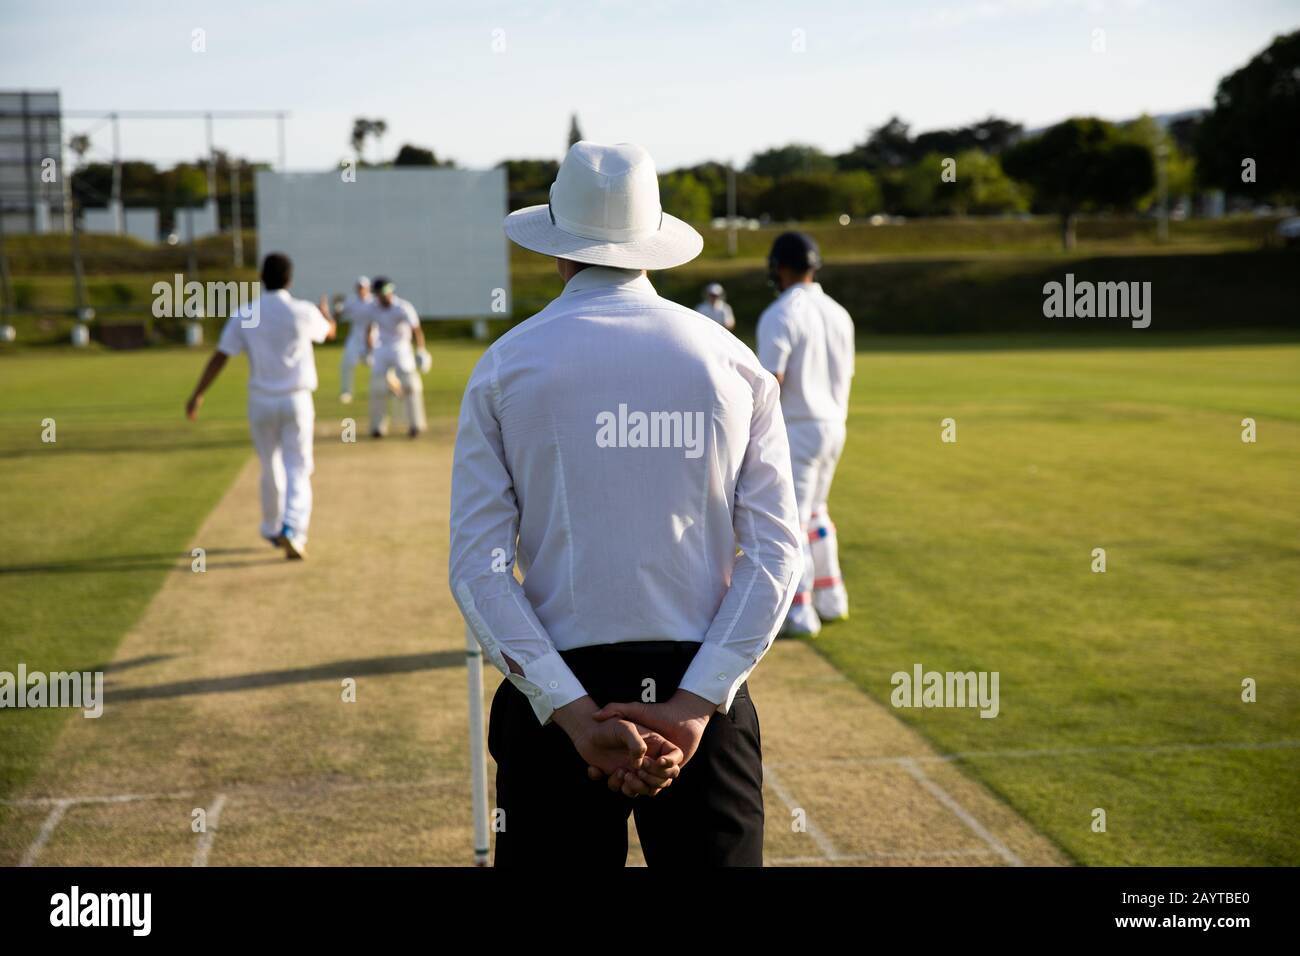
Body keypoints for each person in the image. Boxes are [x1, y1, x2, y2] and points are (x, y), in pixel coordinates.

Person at [449, 141, 802, 867]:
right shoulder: (731, 361)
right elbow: (776, 555)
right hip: (699, 685)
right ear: (651, 240)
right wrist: (692, 708)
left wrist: (575, 716)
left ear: (558, 245)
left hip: (555, 696)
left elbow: (478, 570)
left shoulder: (506, 365)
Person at [185, 252, 336, 559]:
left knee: (270, 466)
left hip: (261, 402)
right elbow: (330, 333)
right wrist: (327, 314)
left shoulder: (247, 313)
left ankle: (272, 527)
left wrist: (198, 393)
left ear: (261, 277)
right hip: (297, 400)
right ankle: (292, 529)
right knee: (298, 468)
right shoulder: (302, 311)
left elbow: (221, 355)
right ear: (289, 279)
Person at [755, 232, 855, 636]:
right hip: (834, 424)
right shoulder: (838, 313)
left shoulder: (781, 313)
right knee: (817, 514)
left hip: (797, 425)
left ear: (780, 267)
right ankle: (832, 598)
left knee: (792, 521)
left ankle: (800, 612)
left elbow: (770, 382)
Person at [365, 277, 431, 438]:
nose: (380, 298)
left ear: (389, 292)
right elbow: (368, 330)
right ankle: (377, 427)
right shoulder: (373, 308)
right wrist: (369, 351)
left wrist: (421, 350)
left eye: (381, 294)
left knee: (410, 386)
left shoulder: (403, 307)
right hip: (382, 348)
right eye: (377, 295)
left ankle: (416, 425)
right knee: (378, 388)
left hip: (402, 347)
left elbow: (416, 329)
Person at [337, 275, 373, 404]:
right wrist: (338, 308)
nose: (360, 289)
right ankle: (347, 392)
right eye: (359, 287)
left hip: (372, 338)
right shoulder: (351, 301)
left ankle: (391, 388)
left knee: (379, 366)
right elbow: (339, 316)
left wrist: (371, 342)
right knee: (346, 364)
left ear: (368, 288)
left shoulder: (373, 303)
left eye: (363, 287)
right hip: (355, 338)